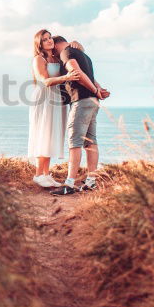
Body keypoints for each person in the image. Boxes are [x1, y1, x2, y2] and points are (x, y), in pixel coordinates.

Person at [50, 36, 110, 194]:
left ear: (57, 45)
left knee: (75, 141)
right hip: (92, 101)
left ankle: (69, 184)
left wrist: (96, 90)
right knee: (90, 142)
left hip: (82, 100)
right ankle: (91, 181)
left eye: (53, 51)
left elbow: (76, 72)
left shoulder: (65, 52)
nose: (54, 55)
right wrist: (98, 90)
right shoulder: (84, 55)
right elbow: (90, 76)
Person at [27, 29, 80, 188]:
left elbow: (76, 57)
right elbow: (44, 80)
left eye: (50, 38)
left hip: (57, 99)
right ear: (39, 43)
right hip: (44, 98)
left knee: (51, 135)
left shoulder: (57, 56)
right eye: (45, 39)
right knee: (43, 134)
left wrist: (77, 45)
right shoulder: (38, 59)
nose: (49, 41)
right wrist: (66, 77)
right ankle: (38, 175)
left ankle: (45, 174)